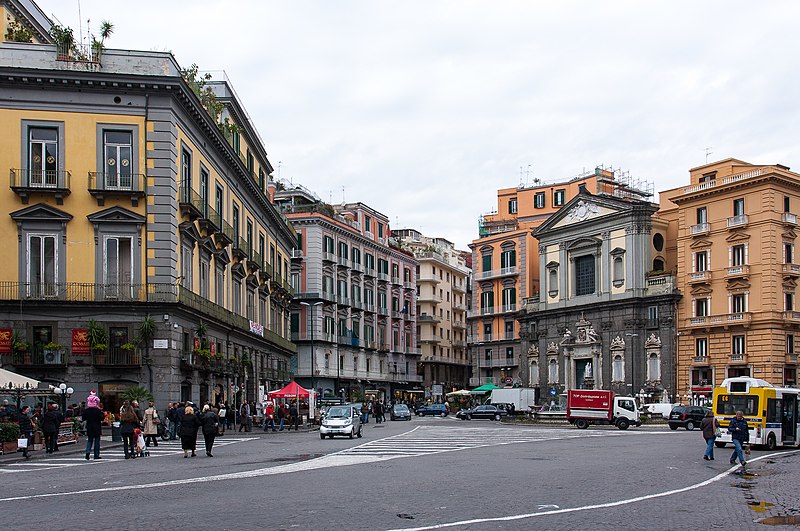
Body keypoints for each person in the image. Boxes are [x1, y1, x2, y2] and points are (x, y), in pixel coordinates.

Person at [82, 391, 103, 460]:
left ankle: (87, 452)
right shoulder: (98, 410)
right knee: (97, 441)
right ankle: (96, 454)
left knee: (89, 440)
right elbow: (101, 418)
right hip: (97, 427)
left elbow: (83, 418)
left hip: (89, 426)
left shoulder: (86, 411)